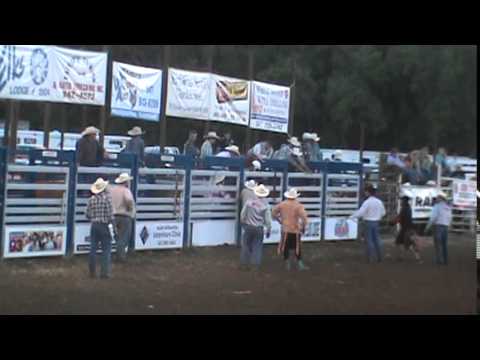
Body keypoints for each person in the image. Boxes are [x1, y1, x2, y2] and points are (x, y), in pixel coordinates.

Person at [272, 188, 310, 271]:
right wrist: (303, 227)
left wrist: (279, 220)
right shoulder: (298, 206)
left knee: (285, 246)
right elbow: (304, 218)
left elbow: (273, 212)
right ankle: (300, 264)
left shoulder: (282, 204)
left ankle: (287, 263)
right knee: (297, 247)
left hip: (285, 229)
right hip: (295, 230)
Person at [86, 178, 115, 279]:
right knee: (106, 250)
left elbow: (87, 214)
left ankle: (92, 272)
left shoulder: (91, 200)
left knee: (93, 248)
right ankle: (104, 273)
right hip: (104, 225)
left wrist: (93, 218)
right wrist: (113, 226)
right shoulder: (107, 199)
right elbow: (111, 215)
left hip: (94, 225)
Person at [350, 185, 386, 263]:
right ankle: (380, 258)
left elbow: (360, 212)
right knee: (377, 240)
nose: (365, 193)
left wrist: (352, 216)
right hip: (376, 222)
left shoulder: (367, 202)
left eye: (366, 191)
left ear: (368, 192)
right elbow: (383, 213)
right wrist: (377, 216)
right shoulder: (379, 202)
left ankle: (370, 258)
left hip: (368, 222)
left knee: (369, 240)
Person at [240, 185, 272, 271]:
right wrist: (268, 229)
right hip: (259, 228)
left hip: (248, 226)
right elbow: (268, 220)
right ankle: (255, 265)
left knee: (246, 245)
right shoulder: (266, 205)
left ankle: (244, 263)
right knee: (257, 246)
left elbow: (243, 214)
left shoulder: (249, 202)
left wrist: (243, 221)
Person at [110, 173, 136, 262]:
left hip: (114, 216)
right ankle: (121, 257)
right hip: (124, 216)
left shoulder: (112, 190)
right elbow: (129, 200)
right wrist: (130, 208)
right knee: (124, 237)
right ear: (125, 182)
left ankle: (118, 255)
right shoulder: (126, 190)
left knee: (117, 236)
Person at [391, 190, 422, 262]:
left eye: (402, 200)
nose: (401, 201)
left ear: (404, 201)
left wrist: (393, 222)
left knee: (399, 242)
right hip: (410, 228)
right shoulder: (408, 208)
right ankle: (417, 257)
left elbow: (399, 217)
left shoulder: (404, 208)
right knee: (412, 243)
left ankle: (401, 256)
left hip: (405, 229)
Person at [425, 191, 452, 266]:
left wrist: (428, 227)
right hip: (445, 226)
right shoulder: (448, 207)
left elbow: (433, 218)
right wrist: (448, 225)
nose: (436, 199)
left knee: (438, 244)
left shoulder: (437, 206)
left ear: (440, 199)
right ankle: (445, 260)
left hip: (438, 226)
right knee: (444, 244)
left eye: (437, 198)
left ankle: (439, 260)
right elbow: (450, 217)